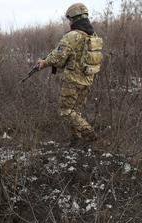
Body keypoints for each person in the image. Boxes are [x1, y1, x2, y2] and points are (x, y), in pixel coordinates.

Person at [37, 3, 104, 146]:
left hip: (73, 82)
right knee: (75, 112)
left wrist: (44, 62)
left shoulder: (73, 36)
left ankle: (90, 134)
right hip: (87, 81)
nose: (69, 22)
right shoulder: (92, 35)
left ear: (73, 18)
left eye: (70, 19)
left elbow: (58, 58)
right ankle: (76, 141)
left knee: (66, 111)